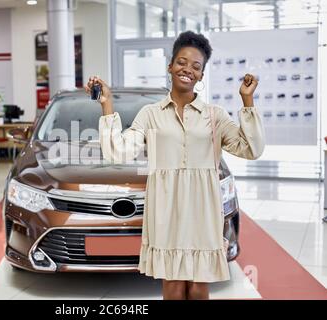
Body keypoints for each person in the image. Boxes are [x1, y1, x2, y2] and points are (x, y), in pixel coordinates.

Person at [84, 31, 265, 300]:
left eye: (196, 66)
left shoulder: (215, 116)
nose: (188, 70)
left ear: (202, 75)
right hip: (165, 209)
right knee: (173, 285)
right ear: (170, 66)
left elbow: (251, 149)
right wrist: (107, 104)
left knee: (198, 286)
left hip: (203, 209)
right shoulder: (150, 114)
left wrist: (247, 101)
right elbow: (118, 151)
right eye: (182, 62)